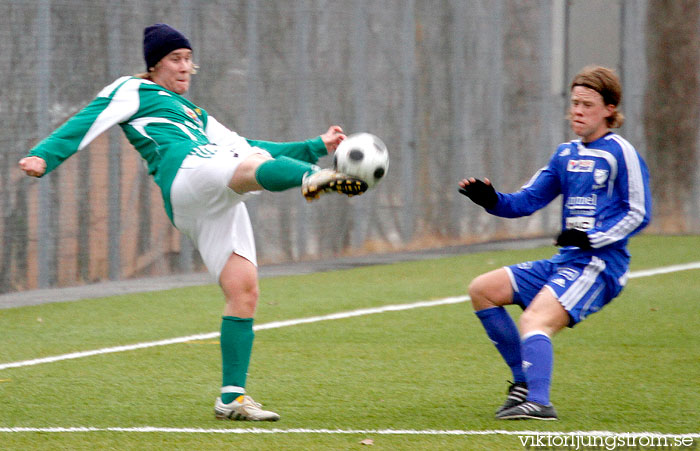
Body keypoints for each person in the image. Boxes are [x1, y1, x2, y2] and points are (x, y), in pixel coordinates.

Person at [19, 23, 367, 422]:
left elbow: (249, 149)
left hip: (209, 193)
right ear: (154, 66)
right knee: (250, 169)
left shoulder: (198, 115)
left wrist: (315, 146)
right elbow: (88, 119)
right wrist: (44, 156)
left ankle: (231, 399)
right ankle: (311, 179)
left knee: (244, 290)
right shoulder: (134, 89)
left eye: (189, 60)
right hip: (186, 172)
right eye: (175, 59)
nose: (185, 67)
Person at [458, 66, 651, 420]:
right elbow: (525, 202)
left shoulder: (621, 154)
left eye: (587, 104)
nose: (577, 111)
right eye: (574, 103)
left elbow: (639, 213)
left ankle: (540, 402)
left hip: (599, 265)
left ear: (610, 108)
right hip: (566, 261)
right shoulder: (564, 155)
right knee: (483, 289)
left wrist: (590, 237)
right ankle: (522, 386)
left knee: (534, 321)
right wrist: (490, 199)